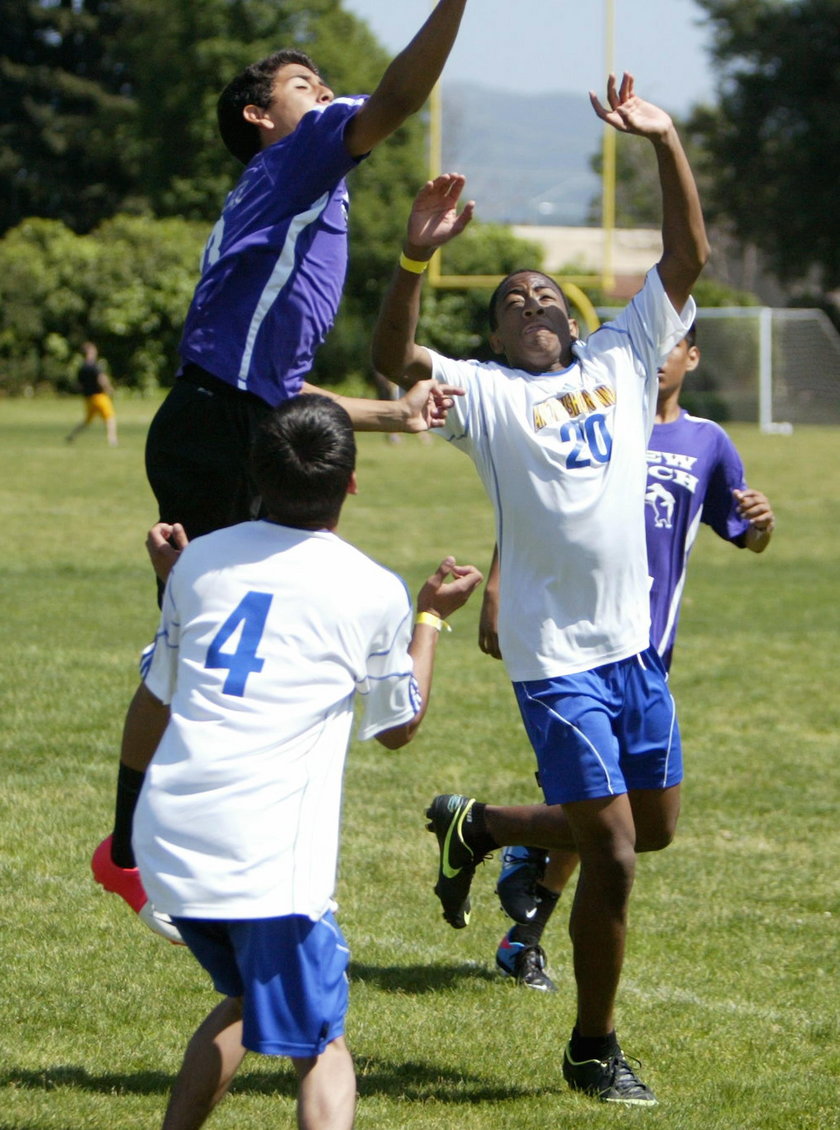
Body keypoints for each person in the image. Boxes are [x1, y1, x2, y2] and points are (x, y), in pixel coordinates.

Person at [371, 72, 710, 1104]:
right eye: (513, 299)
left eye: (546, 293)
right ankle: (591, 1048)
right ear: (498, 331)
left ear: (574, 315)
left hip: (634, 650)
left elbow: (690, 255)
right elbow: (391, 354)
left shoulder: (621, 353)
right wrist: (416, 253)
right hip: (554, 657)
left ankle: (480, 825)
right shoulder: (490, 395)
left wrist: (663, 137)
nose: (534, 301)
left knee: (650, 828)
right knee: (612, 850)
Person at [93, 393, 482, 1130]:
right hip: (267, 859)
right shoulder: (371, 589)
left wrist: (180, 581)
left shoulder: (197, 562)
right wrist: (430, 618)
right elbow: (399, 727)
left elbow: (156, 697)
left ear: (256, 474)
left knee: (246, 1000)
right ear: (352, 482)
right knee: (323, 1047)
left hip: (174, 846)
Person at [144, 0, 503, 550]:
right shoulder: (294, 159)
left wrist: (395, 412)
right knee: (217, 626)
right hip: (220, 425)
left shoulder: (284, 197)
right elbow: (396, 100)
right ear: (258, 115)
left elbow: (278, 387)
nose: (325, 95)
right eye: (305, 85)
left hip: (223, 420)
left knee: (233, 624)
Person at [479, 320, 776, 995]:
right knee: (602, 817)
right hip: (571, 646)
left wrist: (762, 526)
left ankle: (500, 837)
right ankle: (522, 936)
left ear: (692, 356)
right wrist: (498, 583)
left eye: (675, 345)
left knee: (629, 824)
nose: (663, 356)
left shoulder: (709, 443)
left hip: (645, 656)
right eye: (656, 343)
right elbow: (541, 512)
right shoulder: (603, 416)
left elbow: (745, 535)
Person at [65, 341, 118, 446]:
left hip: (88, 398)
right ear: (90, 352)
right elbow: (101, 379)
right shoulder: (95, 366)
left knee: (87, 421)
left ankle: (72, 435)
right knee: (110, 418)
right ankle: (112, 440)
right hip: (100, 396)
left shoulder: (82, 368)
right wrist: (109, 389)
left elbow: (79, 385)